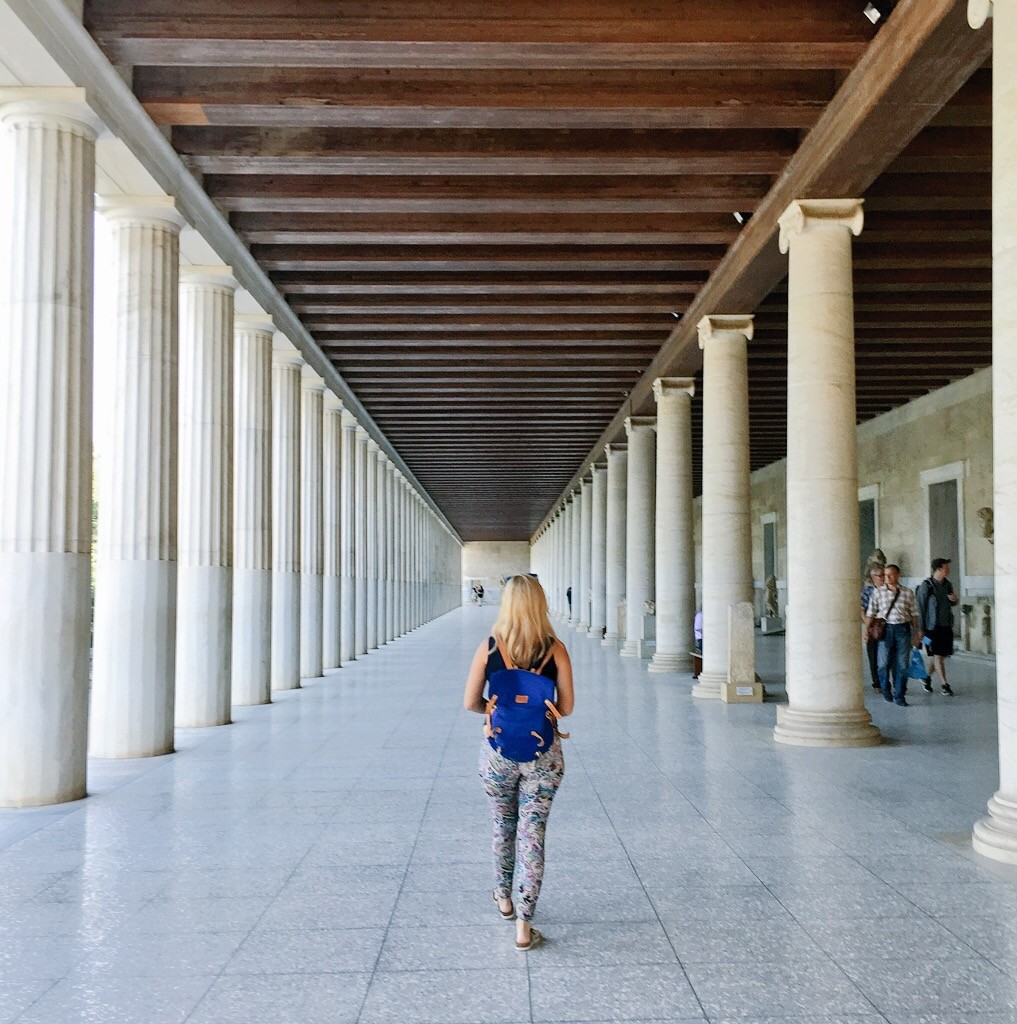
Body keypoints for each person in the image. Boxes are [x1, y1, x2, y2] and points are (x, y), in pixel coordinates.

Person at [463, 575, 574, 951]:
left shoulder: (489, 647)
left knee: (502, 824)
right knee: (532, 834)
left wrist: (494, 712)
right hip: (544, 754)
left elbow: (470, 701)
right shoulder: (555, 648)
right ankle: (524, 925)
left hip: (497, 754)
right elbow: (568, 708)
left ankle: (504, 898)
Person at [865, 564, 922, 707]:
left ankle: (900, 695)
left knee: (902, 664)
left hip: (903, 629)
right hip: (885, 630)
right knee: (882, 664)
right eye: (885, 575)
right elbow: (871, 613)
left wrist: (917, 632)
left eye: (890, 574)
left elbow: (914, 614)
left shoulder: (907, 592)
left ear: (898, 575)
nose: (887, 578)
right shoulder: (878, 592)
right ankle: (885, 687)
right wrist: (866, 631)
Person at [916, 557, 958, 696]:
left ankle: (926, 677)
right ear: (939, 568)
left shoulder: (947, 585)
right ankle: (944, 685)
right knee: (937, 653)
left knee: (940, 654)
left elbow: (951, 603)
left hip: (945, 625)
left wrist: (954, 600)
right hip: (930, 629)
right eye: (946, 566)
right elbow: (920, 609)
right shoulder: (926, 586)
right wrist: (920, 629)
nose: (948, 569)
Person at [861, 566, 885, 691]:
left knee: (887, 656)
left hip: (887, 624)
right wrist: (868, 625)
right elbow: (862, 610)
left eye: (883, 575)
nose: (882, 578)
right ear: (873, 577)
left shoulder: (890, 589)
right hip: (873, 625)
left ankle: (885, 679)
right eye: (879, 576)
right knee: (873, 655)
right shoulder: (868, 591)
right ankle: (877, 682)